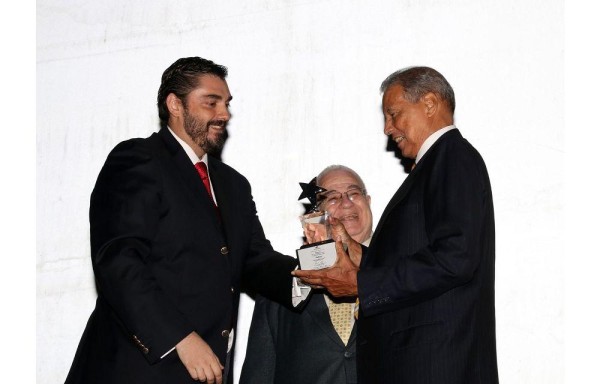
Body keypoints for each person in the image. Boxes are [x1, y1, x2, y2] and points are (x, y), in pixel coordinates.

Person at [64, 57, 302, 384]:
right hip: (136, 371)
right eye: (211, 102)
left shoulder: (233, 184)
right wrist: (181, 338)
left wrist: (318, 275)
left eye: (227, 104)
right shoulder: (138, 159)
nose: (224, 114)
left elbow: (255, 262)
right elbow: (118, 261)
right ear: (175, 104)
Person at [294, 66, 499, 383]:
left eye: (394, 114)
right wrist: (348, 246)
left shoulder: (452, 157)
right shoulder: (435, 165)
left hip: (435, 366)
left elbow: (456, 257)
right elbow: (416, 258)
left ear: (429, 103)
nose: (388, 128)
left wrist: (362, 286)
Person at [240, 165, 373, 384]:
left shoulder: (401, 274)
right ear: (316, 215)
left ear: (368, 202)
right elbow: (259, 374)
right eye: (332, 198)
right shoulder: (282, 284)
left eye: (354, 193)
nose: (346, 202)